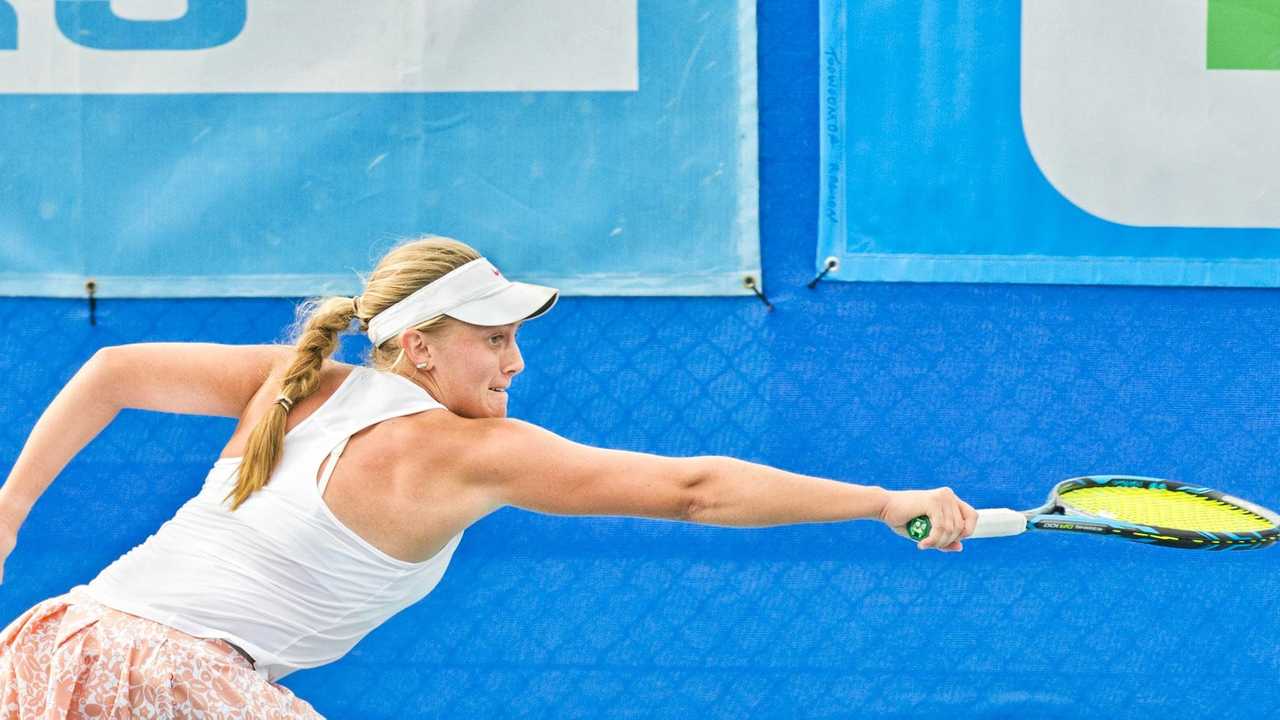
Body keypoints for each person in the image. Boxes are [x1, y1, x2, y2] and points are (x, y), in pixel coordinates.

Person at [0, 236, 977, 718]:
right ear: (418, 349)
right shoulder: (463, 450)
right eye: (494, 338)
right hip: (178, 679)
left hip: (53, 644)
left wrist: (10, 507)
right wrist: (882, 501)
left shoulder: (295, 383)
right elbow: (694, 490)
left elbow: (112, 371)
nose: (513, 363)